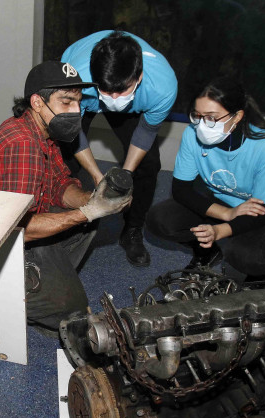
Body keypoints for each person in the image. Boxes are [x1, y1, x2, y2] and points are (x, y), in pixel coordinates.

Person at [0, 61, 131, 335]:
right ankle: (17, 292)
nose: (75, 111)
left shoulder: (44, 133)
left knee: (88, 221)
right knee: (74, 311)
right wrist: (87, 212)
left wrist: (92, 200)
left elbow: (58, 184)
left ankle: (49, 281)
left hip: (21, 226)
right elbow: (15, 229)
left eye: (78, 103)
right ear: (37, 102)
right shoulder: (22, 145)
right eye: (66, 102)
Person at [146, 76, 265, 282]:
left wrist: (219, 231)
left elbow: (263, 213)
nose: (201, 125)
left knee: (245, 256)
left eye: (211, 117)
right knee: (160, 220)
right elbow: (181, 190)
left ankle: (258, 278)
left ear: (237, 116)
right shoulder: (192, 135)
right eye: (197, 115)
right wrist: (227, 213)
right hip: (224, 204)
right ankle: (207, 252)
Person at [61, 30, 178, 267]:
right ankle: (65, 223)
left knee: (148, 165)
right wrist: (97, 176)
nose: (114, 98)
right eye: (107, 91)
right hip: (85, 96)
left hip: (134, 104)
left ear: (139, 77)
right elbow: (73, 132)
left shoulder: (163, 86)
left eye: (121, 90)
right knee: (65, 161)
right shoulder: (76, 80)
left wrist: (123, 178)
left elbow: (145, 132)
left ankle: (132, 230)